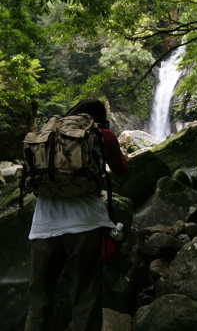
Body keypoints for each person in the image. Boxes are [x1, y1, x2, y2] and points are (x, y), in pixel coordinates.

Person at [24, 99, 128, 331]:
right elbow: (121, 170)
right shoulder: (103, 134)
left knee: (39, 302)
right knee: (85, 300)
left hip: (44, 228)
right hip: (86, 227)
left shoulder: (49, 133)